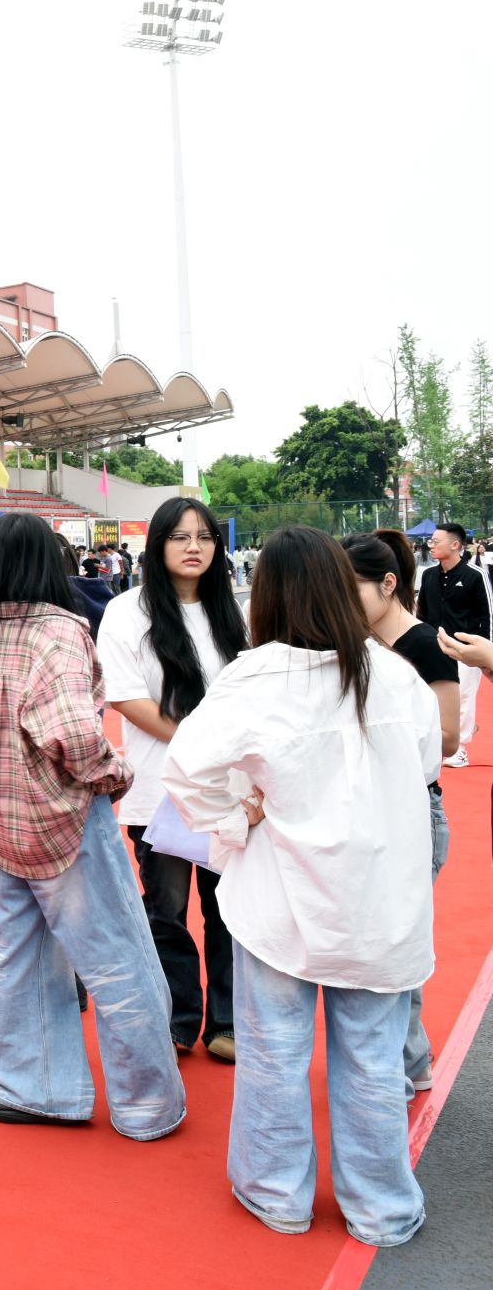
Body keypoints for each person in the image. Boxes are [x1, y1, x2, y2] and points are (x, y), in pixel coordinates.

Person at [165, 527, 438, 1247]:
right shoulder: (392, 675)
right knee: (373, 1058)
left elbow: (185, 770)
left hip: (284, 898)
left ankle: (277, 1191)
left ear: (267, 596)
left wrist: (238, 814)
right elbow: (427, 765)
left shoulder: (256, 679)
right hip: (379, 898)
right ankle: (381, 1207)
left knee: (275, 1052)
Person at [0, 512, 184, 1138]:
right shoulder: (59, 633)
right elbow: (76, 736)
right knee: (118, 960)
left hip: (1, 823)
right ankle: (146, 1104)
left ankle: (30, 1088)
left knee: (13, 962)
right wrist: (116, 772)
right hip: (66, 822)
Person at [96, 496, 248, 1061]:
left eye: (204, 537)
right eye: (180, 537)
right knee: (167, 910)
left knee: (226, 908)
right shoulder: (127, 612)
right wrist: (196, 743)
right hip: (161, 789)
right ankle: (177, 1018)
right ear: (157, 545)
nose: (193, 547)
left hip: (227, 790)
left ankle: (226, 1022)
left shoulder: (232, 613)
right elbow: (126, 698)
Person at [344, 529, 458, 1094]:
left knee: (396, 945)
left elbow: (447, 737)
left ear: (388, 584)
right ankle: (409, 1060)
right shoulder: (355, 645)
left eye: (352, 590)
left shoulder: (425, 644)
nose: (342, 603)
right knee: (379, 943)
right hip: (370, 809)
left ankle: (405, 1065)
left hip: (414, 809)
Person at [415, 522, 485, 767]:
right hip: (434, 647)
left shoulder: (475, 575)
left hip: (466, 648)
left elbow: (487, 614)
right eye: (431, 541)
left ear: (455, 545)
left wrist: (482, 650)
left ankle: (460, 748)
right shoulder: (428, 575)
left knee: (463, 696)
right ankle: (445, 737)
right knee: (431, 696)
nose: (431, 546)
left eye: (436, 541)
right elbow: (422, 614)